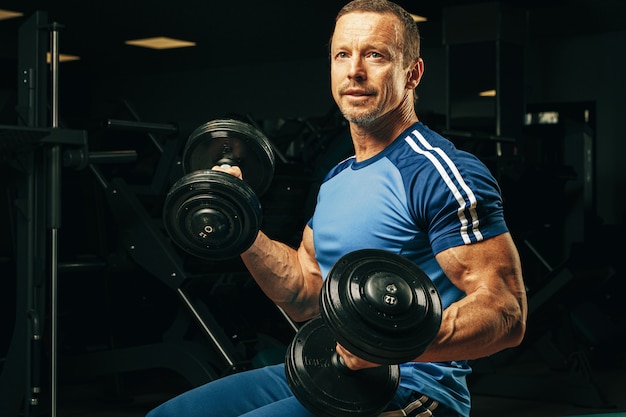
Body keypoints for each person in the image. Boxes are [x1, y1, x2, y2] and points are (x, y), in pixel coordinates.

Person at [146, 0, 527, 416]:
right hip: (328, 371)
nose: (354, 71)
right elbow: (304, 291)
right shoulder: (338, 177)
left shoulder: (436, 170)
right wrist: (240, 219)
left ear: (412, 73)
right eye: (342, 54)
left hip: (414, 387)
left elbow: (505, 311)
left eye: (375, 55)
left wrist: (383, 341)